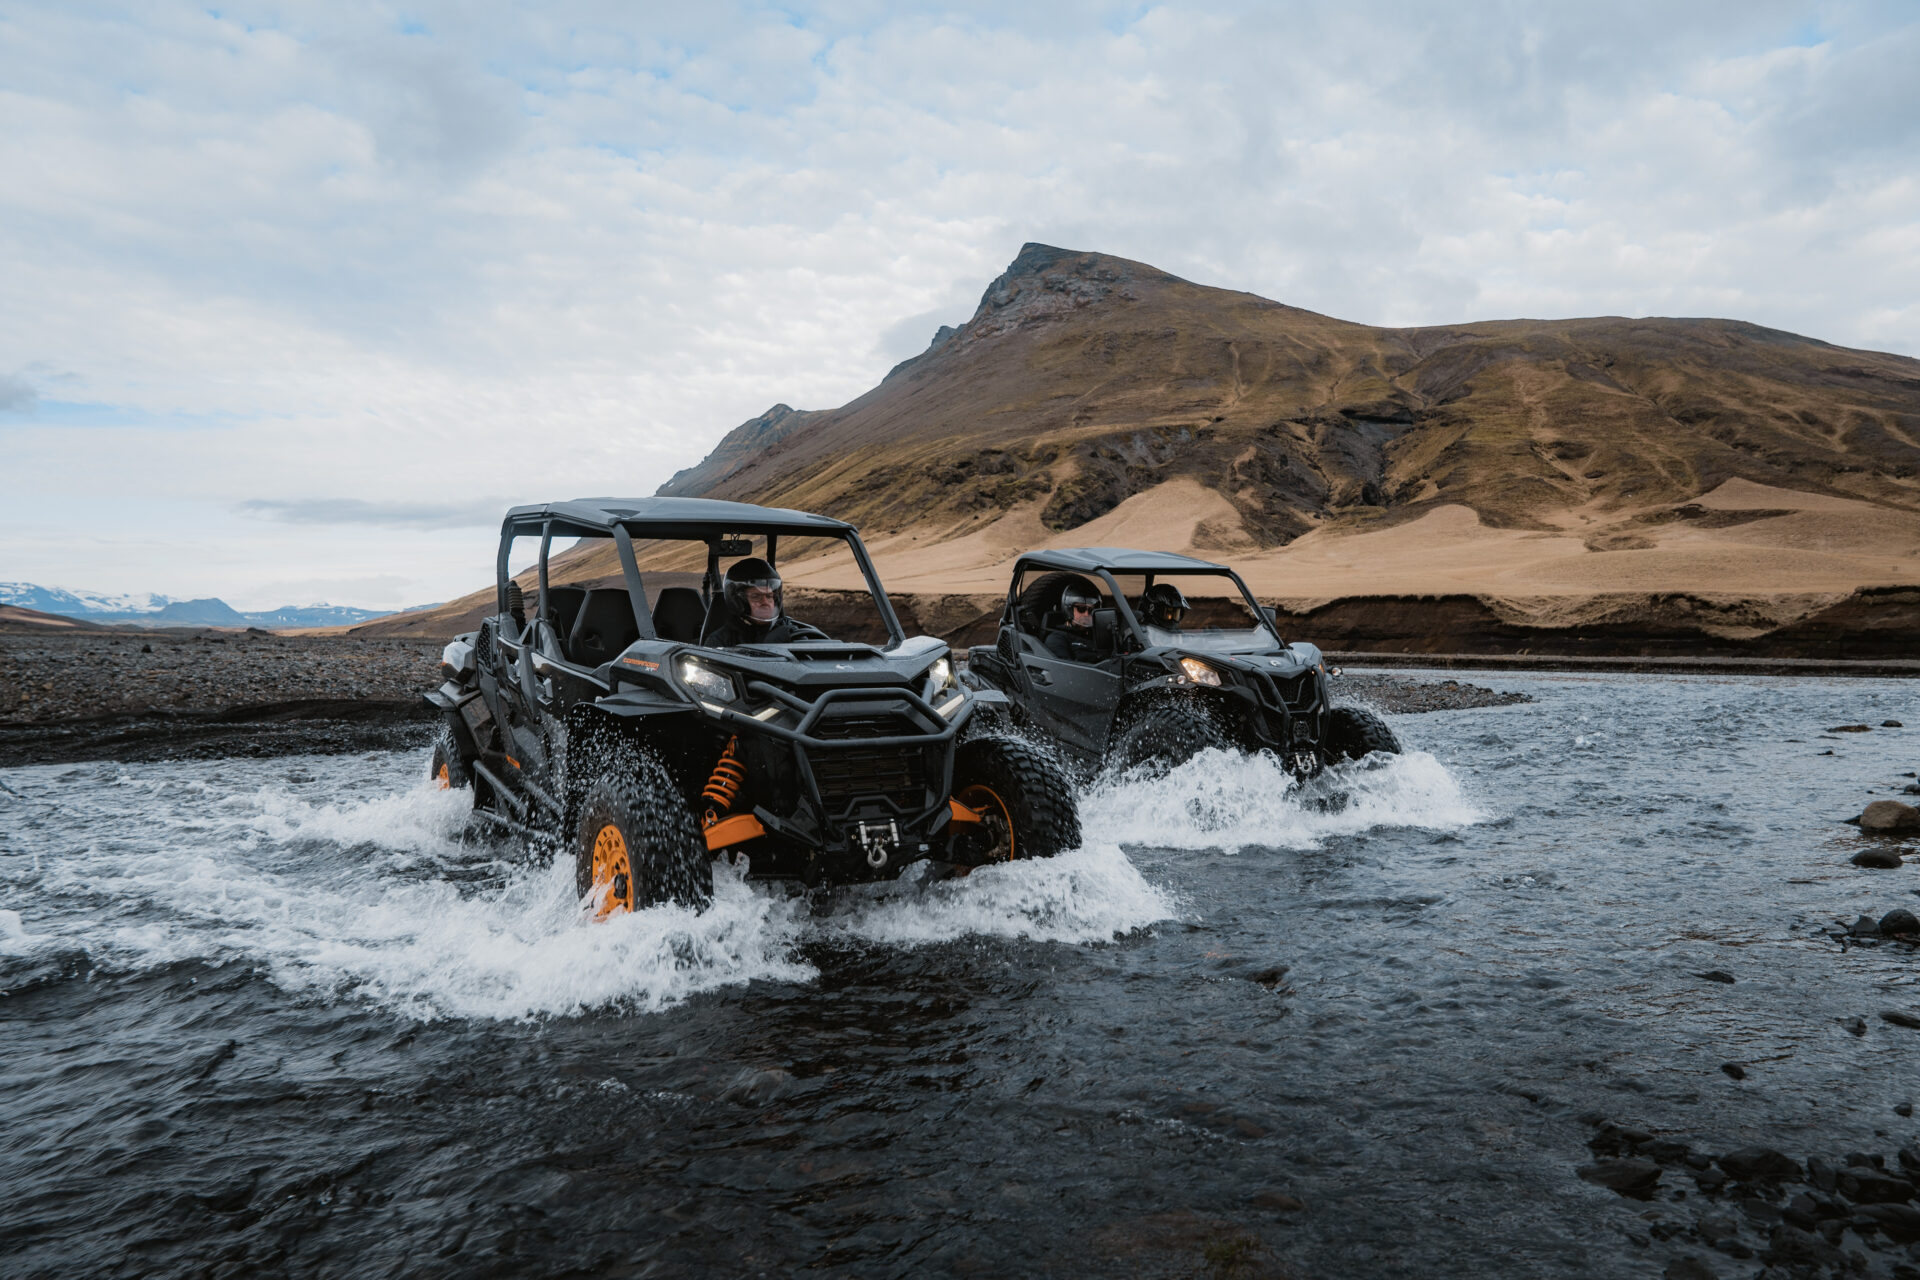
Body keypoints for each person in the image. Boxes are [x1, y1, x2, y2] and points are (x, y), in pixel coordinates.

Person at [703, 557, 827, 647]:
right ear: (737, 601)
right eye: (756, 596)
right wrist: (768, 646)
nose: (765, 602)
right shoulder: (720, 642)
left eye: (769, 596)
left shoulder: (792, 631)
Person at [1043, 580, 1105, 662]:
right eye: (1081, 609)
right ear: (1069, 610)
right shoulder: (1058, 638)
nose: (1086, 614)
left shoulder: (1101, 636)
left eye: (1091, 610)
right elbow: (1064, 667)